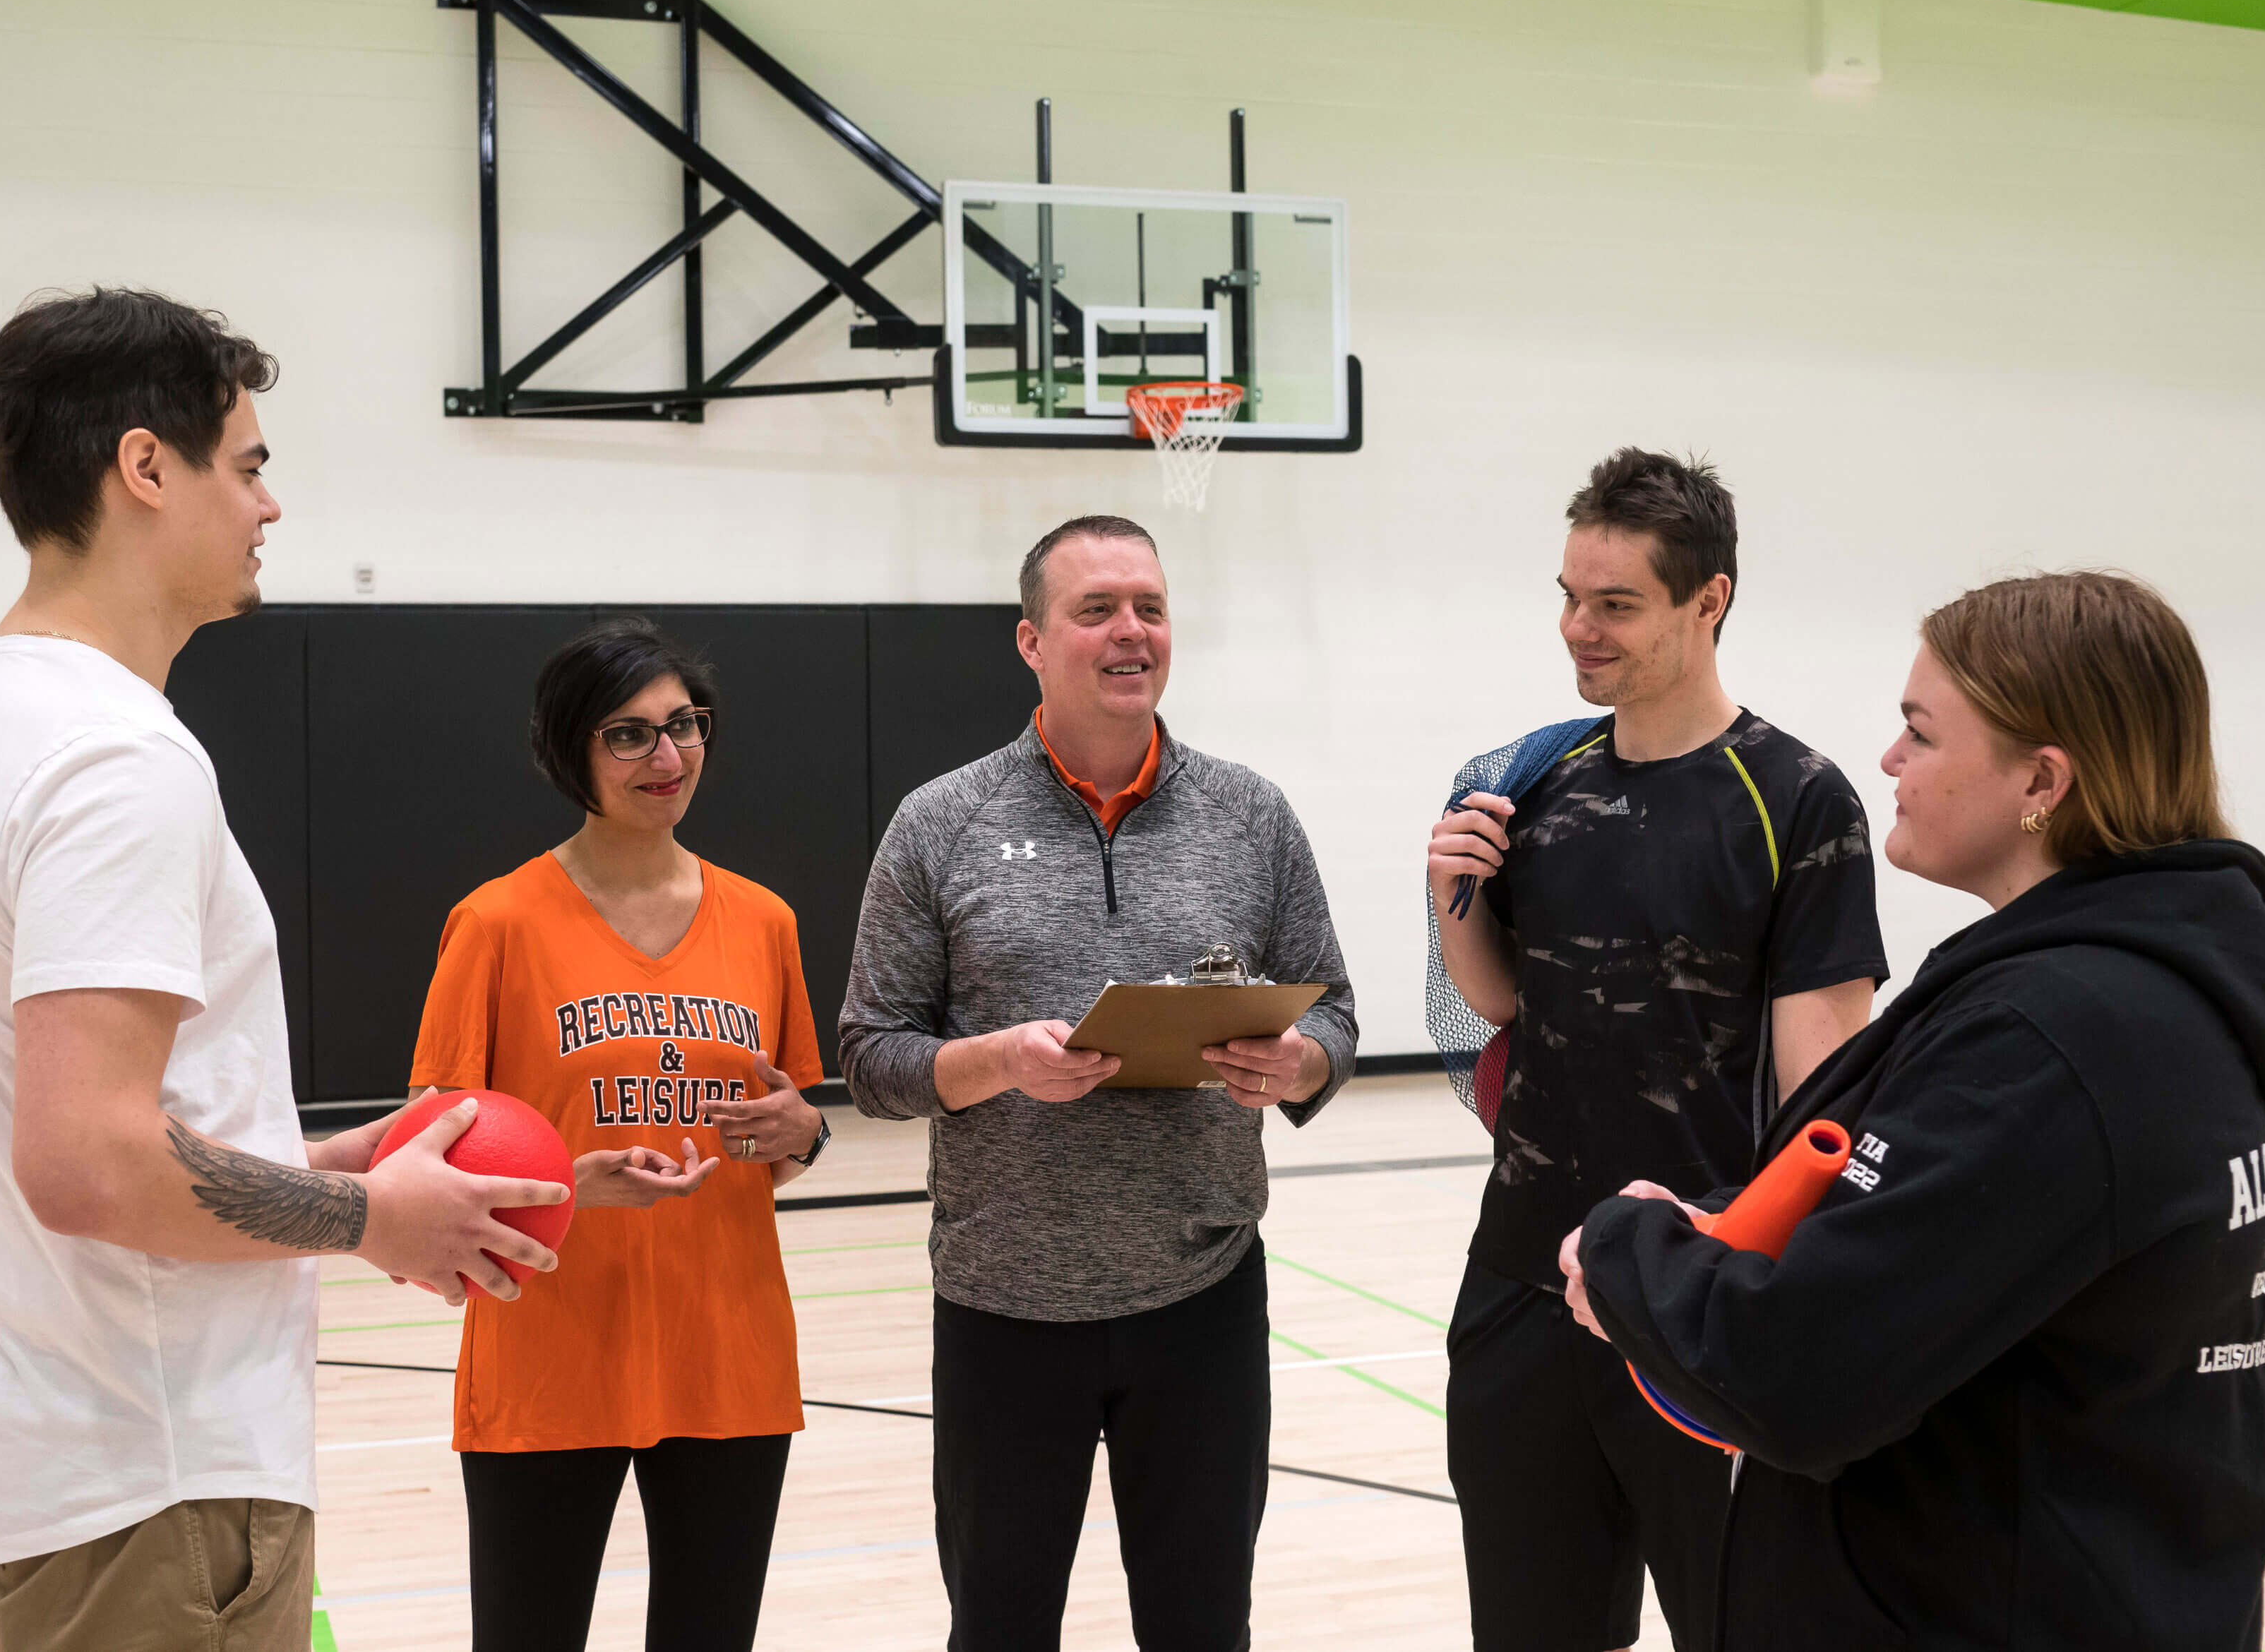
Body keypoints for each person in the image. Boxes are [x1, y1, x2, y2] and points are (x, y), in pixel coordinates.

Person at [0, 289, 567, 1652]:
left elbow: (109, 1139)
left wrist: (327, 1171)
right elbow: (87, 1163)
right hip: (153, 1488)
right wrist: (375, 1224)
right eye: (249, 465)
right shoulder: (113, 758)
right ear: (147, 468)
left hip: (72, 1473)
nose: (271, 507)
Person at [1564, 570, 2265, 1650]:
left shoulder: (2056, 1038)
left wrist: (1623, 1249)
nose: (1889, 761)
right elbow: (1942, 1254)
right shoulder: (2151, 990)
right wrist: (1738, 1229)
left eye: (1920, 734)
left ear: (2043, 779)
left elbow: (1797, 1371)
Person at [839, 514, 1358, 1652]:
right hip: (1004, 1306)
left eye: (1150, 608)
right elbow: (872, 1058)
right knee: (1002, 1625)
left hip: (1206, 1296)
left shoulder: (1253, 815)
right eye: (1096, 610)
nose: (1131, 631)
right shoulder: (940, 824)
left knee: (1202, 1623)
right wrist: (1000, 1064)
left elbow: (1333, 1012)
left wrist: (1298, 1059)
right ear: (1032, 641)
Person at [1424, 448, 1887, 1652]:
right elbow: (1503, 1004)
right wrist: (1453, 899)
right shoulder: (1543, 778)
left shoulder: (1796, 798)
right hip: (1521, 1289)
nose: (1580, 628)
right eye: (1570, 596)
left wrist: (1782, 1301)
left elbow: (1823, 1095)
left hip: (1696, 1303)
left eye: (1617, 604)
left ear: (1708, 601)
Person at [405, 618, 830, 1652]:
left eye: (684, 726)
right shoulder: (496, 923)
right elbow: (424, 1156)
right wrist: (563, 1182)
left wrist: (801, 1130)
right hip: (549, 1356)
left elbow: (796, 1130)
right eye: (629, 735)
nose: (668, 757)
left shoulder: (764, 920)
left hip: (725, 1351)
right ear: (570, 752)